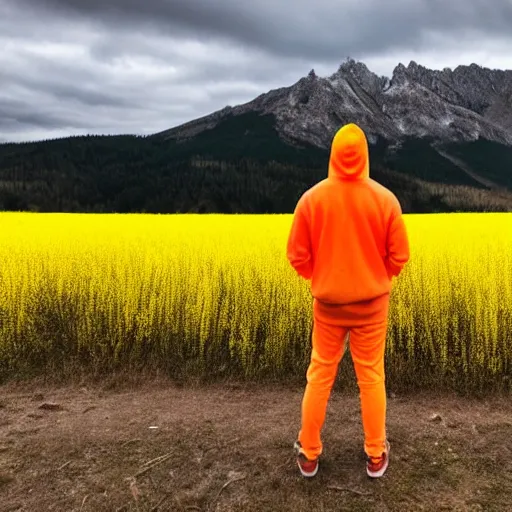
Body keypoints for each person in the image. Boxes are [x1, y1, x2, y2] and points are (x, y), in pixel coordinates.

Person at [286, 123, 410, 479]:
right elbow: (400, 255)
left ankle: (308, 454)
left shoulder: (311, 199)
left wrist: (320, 276)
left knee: (320, 375)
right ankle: (375, 455)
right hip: (373, 306)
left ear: (333, 156)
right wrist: (378, 276)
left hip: (328, 307)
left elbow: (297, 256)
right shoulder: (386, 200)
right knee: (371, 377)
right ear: (365, 157)